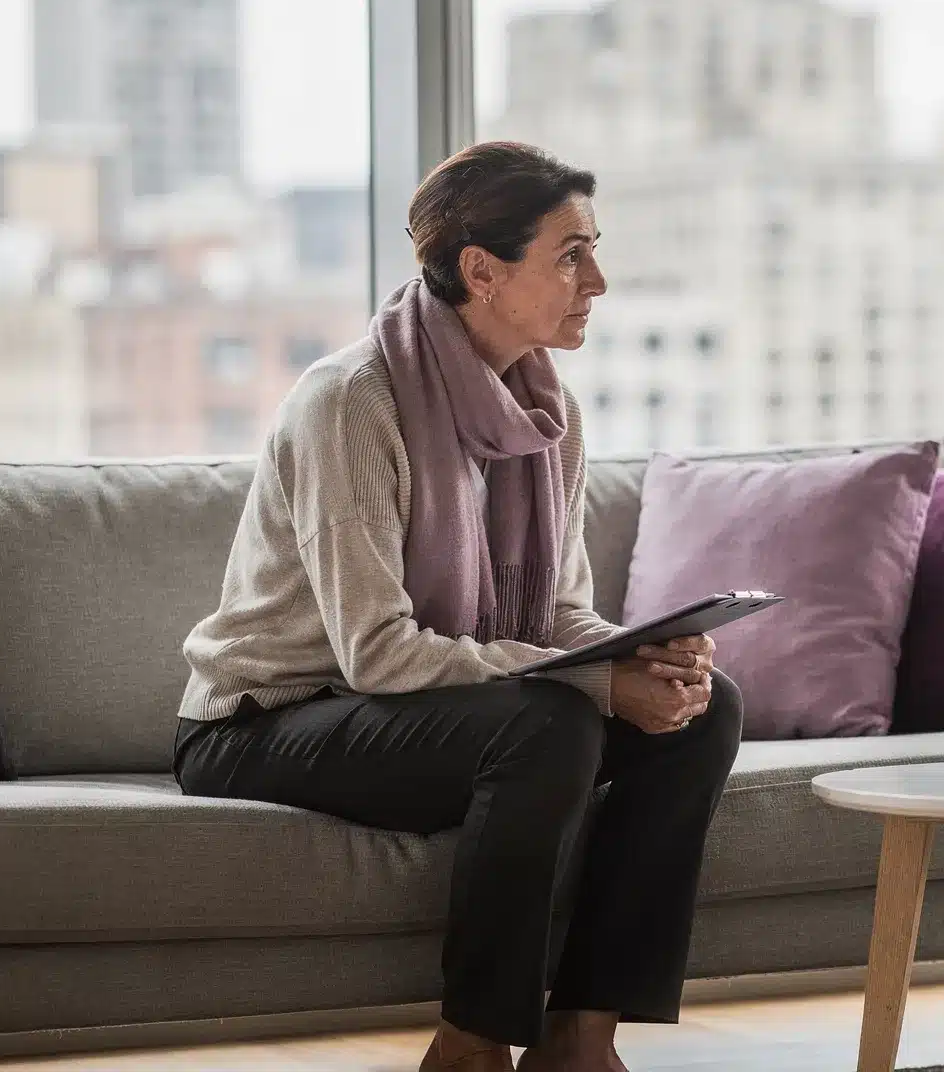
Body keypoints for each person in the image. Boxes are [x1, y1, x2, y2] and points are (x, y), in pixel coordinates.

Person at [173, 141, 742, 1072]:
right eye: (569, 254)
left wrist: (645, 659)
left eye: (594, 249)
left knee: (707, 708)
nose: (597, 279)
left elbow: (559, 617)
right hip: (265, 723)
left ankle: (581, 1036)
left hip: (429, 714)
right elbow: (377, 655)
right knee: (553, 725)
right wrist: (599, 686)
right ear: (482, 269)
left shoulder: (546, 415)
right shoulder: (352, 403)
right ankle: (471, 1046)